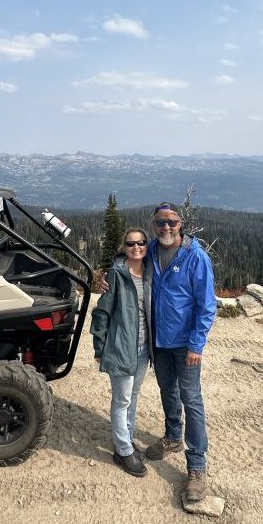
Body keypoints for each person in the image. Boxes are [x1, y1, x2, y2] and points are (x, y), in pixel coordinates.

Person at [99, 203, 217, 501]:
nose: (166, 227)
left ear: (181, 223)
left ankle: (196, 466)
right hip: (159, 343)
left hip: (186, 344)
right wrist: (106, 273)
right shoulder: (151, 249)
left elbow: (207, 305)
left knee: (192, 399)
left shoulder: (196, 257)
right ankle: (173, 436)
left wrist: (196, 344)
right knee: (168, 390)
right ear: (154, 225)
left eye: (172, 222)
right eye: (160, 223)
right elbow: (129, 255)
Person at [90, 228, 153, 477]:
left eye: (141, 242)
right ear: (124, 248)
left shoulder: (150, 272)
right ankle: (123, 450)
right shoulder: (116, 274)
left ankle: (126, 439)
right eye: (130, 243)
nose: (136, 247)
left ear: (147, 245)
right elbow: (102, 312)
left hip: (144, 348)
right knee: (122, 400)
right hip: (122, 347)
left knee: (132, 396)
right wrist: (99, 346)